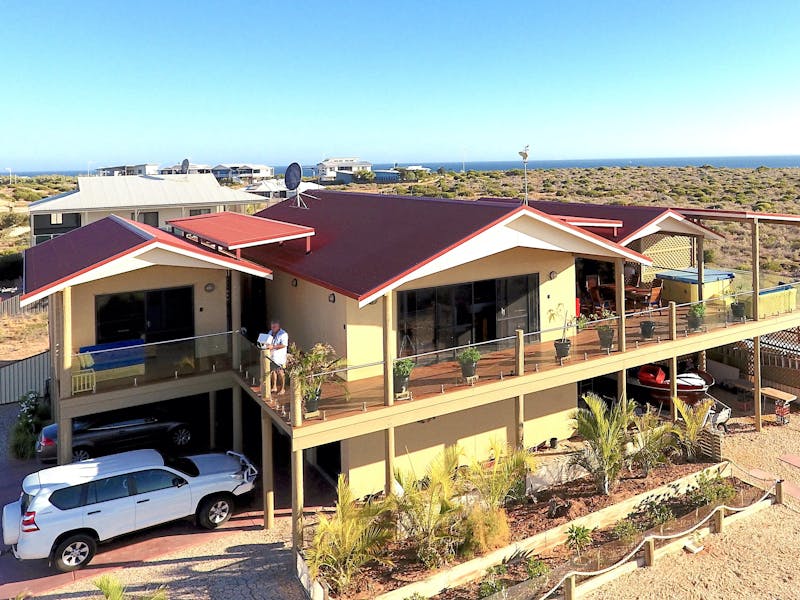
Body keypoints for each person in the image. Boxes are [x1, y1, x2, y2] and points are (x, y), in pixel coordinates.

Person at [264, 320, 288, 395]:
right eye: (272, 327)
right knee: (273, 371)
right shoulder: (270, 332)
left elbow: (284, 345)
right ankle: (274, 386)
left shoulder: (283, 334)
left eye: (274, 327)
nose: (273, 328)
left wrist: (273, 346)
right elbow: (268, 341)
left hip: (279, 357)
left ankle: (282, 388)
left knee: (280, 372)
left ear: (278, 327)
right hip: (272, 356)